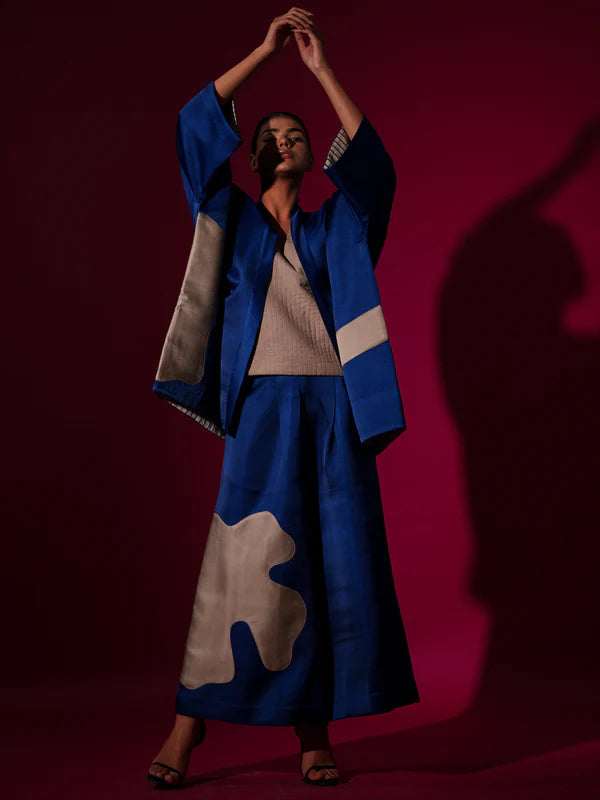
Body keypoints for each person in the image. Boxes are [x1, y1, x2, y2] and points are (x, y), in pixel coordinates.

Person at [148, 7, 420, 790]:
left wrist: (321, 71)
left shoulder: (338, 229)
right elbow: (193, 131)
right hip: (264, 405)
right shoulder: (230, 220)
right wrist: (264, 53)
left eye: (298, 133)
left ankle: (314, 734)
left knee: (333, 561)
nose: (287, 139)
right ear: (256, 154)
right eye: (273, 134)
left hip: (335, 407)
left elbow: (376, 173)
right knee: (241, 559)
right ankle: (188, 723)